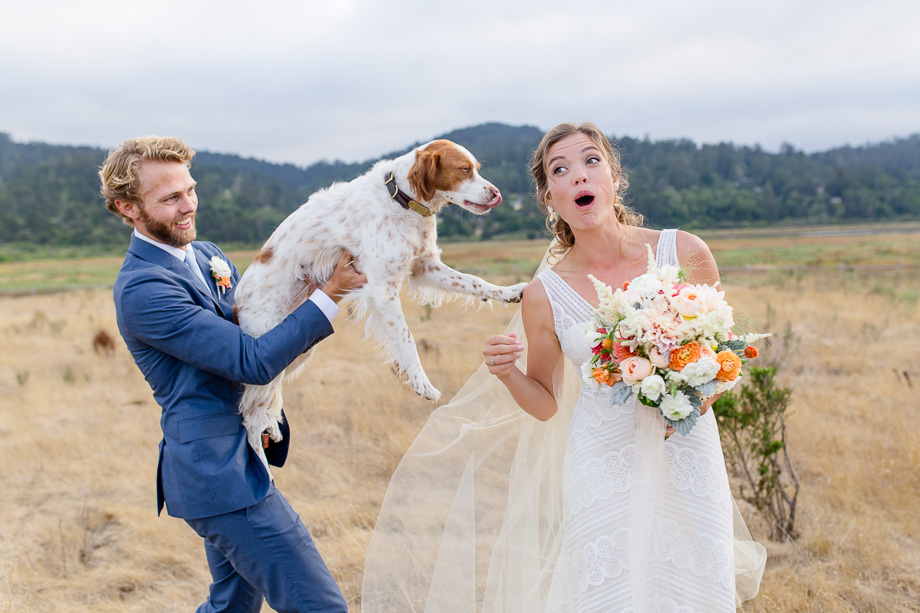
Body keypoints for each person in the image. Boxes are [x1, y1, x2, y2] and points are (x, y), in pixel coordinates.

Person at [361, 123, 765, 612]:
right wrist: (509, 372)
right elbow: (546, 403)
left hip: (687, 453)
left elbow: (723, 360)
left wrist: (682, 401)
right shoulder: (543, 295)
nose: (578, 176)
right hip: (600, 464)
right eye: (560, 170)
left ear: (614, 178)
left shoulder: (684, 252)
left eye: (591, 161)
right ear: (548, 196)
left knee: (694, 589)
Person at [101, 136, 366, 613]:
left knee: (232, 607)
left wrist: (309, 281)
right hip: (217, 473)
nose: (188, 206)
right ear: (128, 208)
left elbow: (257, 323)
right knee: (321, 607)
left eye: (190, 190)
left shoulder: (207, 256)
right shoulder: (143, 289)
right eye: (170, 199)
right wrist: (331, 294)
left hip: (240, 452)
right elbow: (252, 359)